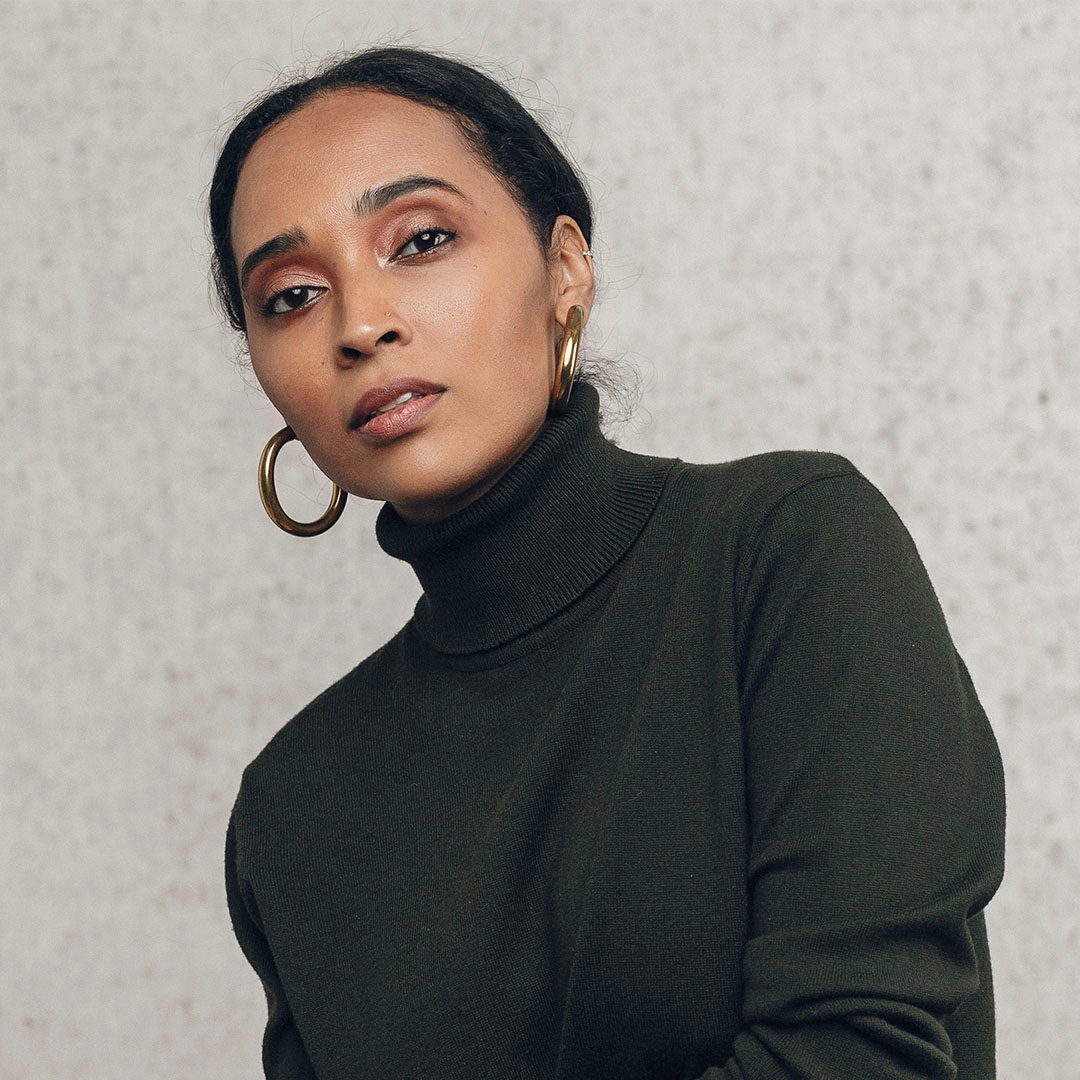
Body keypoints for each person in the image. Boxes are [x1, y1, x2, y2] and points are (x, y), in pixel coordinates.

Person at [210, 46, 1005, 1080]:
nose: (360, 325)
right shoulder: (289, 811)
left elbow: (860, 1060)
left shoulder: (785, 556)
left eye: (422, 240)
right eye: (291, 295)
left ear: (566, 271)